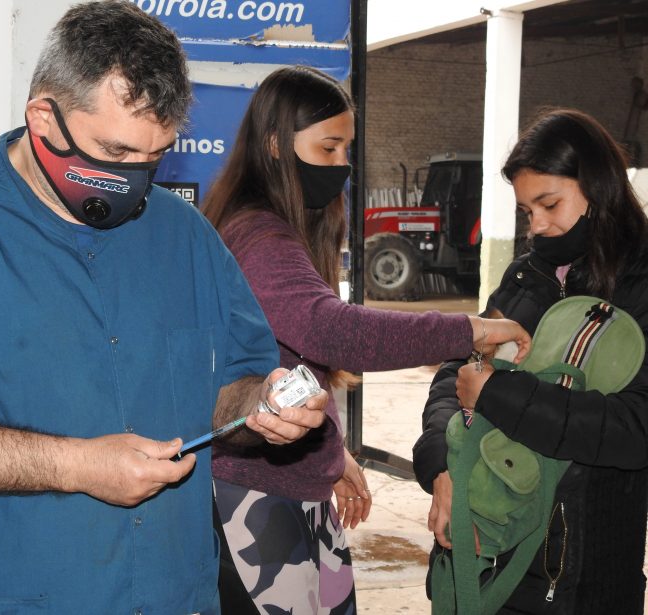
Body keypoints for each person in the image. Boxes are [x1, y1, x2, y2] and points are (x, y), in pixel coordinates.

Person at [0, 3, 330, 614]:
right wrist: (73, 465)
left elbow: (230, 387)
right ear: (44, 118)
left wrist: (260, 408)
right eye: (113, 155)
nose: (134, 181)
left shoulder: (187, 237)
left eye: (153, 159)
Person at [202, 65, 531, 615]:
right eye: (328, 148)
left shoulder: (283, 226)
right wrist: (468, 328)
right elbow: (333, 331)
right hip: (255, 497)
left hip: (287, 486)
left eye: (345, 150)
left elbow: (293, 359)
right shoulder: (259, 234)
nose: (341, 166)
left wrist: (332, 449)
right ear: (276, 145)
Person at [413, 108, 648, 614]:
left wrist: (501, 394)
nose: (538, 226)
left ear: (600, 186)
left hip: (582, 573)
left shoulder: (640, 285)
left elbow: (635, 426)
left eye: (550, 204)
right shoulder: (526, 277)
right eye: (526, 211)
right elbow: (457, 372)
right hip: (485, 557)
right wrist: (441, 465)